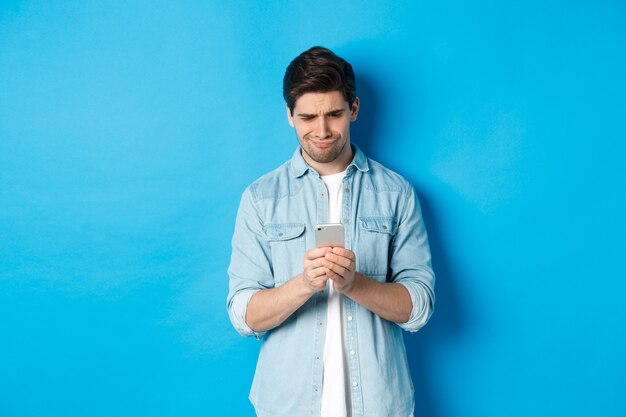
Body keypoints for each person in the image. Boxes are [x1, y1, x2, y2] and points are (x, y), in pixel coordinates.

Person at [227, 46, 435, 417]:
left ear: (354, 109)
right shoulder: (261, 198)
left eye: (334, 114)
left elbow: (419, 307)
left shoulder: (396, 193)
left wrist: (355, 283)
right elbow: (244, 315)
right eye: (307, 117)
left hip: (379, 405)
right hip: (287, 406)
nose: (321, 131)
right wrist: (305, 284)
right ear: (289, 115)